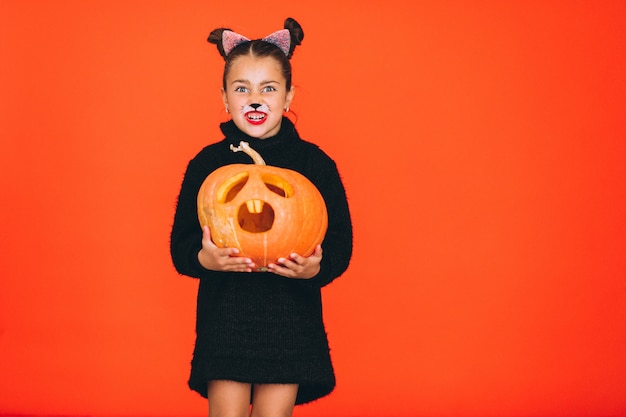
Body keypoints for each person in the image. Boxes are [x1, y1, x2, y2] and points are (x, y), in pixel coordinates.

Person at [170, 17, 353, 417]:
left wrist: (315, 269)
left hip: (290, 324)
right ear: (224, 97)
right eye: (242, 89)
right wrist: (204, 259)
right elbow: (180, 245)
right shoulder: (207, 164)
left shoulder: (314, 165)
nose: (255, 100)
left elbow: (340, 243)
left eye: (268, 89)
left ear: (287, 98)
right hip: (226, 322)